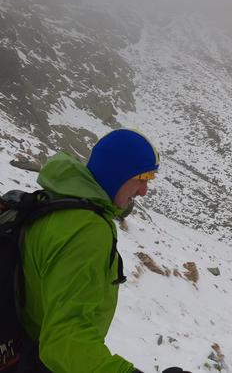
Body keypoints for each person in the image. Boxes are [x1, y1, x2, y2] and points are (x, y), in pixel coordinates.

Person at [18, 129, 190, 373]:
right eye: (142, 177)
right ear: (117, 173)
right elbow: (64, 341)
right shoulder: (87, 231)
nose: (144, 191)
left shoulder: (58, 204)